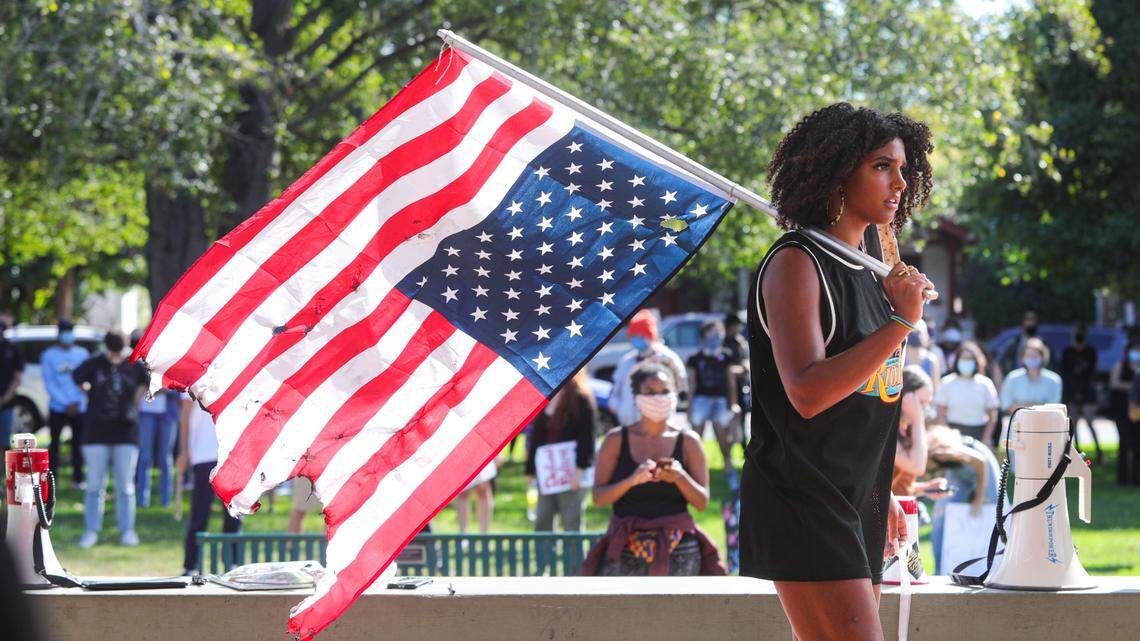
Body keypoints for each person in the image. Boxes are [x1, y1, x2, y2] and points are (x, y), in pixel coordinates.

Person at [740, 102, 935, 640]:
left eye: (902, 167)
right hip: (803, 494)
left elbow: (864, 397)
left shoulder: (874, 268)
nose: (899, 181)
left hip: (857, 496)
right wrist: (899, 324)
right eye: (881, 166)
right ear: (834, 172)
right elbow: (806, 391)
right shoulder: (797, 263)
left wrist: (883, 490)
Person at [583, 362, 724, 576]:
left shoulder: (689, 442)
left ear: (675, 395)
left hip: (680, 547)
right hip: (625, 546)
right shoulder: (615, 440)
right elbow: (599, 498)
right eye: (650, 392)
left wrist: (680, 477)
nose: (658, 398)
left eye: (665, 391)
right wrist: (632, 480)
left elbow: (702, 502)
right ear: (637, 398)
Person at [72, 331, 148, 548]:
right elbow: (77, 377)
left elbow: (148, 381)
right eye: (112, 353)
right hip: (96, 431)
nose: (116, 357)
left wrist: (137, 399)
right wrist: (87, 391)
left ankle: (128, 531)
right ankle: (91, 530)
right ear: (106, 348)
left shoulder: (134, 364)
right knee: (94, 485)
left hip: (126, 432)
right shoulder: (94, 363)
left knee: (125, 486)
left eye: (119, 352)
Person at [526, 368, 598, 533]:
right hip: (547, 474)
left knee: (571, 521)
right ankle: (544, 558)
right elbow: (536, 439)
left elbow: (588, 438)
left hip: (571, 472)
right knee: (543, 519)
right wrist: (530, 470)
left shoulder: (581, 400)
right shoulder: (545, 396)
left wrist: (580, 471)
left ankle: (574, 559)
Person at [925, 423, 1002, 575]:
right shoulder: (938, 459)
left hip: (983, 469)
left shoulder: (941, 452)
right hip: (961, 473)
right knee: (940, 514)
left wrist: (979, 497)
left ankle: (995, 568)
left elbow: (981, 462)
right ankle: (939, 570)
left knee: (991, 512)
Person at [178, 395, 241, 574]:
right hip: (203, 454)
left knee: (233, 514)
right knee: (199, 514)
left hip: (231, 454)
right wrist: (184, 451)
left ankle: (232, 565)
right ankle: (190, 566)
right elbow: (185, 416)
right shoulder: (194, 374)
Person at [686, 319, 743, 487]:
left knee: (724, 440)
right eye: (713, 333)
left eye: (719, 333)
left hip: (720, 400)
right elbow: (692, 385)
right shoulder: (694, 359)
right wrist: (689, 408)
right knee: (696, 440)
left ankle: (730, 473)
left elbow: (731, 382)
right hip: (701, 400)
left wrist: (733, 404)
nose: (717, 337)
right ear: (704, 336)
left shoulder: (726, 355)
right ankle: (693, 475)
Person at [608, 309, 688, 427]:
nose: (637, 339)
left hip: (659, 423)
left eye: (641, 335)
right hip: (629, 422)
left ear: (650, 335)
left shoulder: (668, 359)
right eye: (634, 336)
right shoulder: (627, 361)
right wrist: (617, 407)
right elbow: (616, 390)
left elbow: (682, 388)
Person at [131, 330, 178, 507]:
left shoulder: (173, 360)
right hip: (146, 413)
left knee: (165, 457)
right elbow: (137, 387)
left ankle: (166, 500)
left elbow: (180, 388)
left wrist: (163, 388)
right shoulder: (141, 362)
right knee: (145, 456)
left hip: (167, 415)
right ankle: (143, 499)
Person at [40, 319, 89, 487]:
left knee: (78, 443)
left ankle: (78, 479)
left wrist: (77, 402)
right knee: (54, 444)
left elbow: (86, 381)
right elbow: (49, 383)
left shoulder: (82, 354)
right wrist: (65, 403)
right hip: (58, 407)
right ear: (59, 335)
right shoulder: (48, 355)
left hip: (78, 406)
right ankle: (52, 479)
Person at [933, 341, 1000, 445]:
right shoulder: (947, 382)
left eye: (970, 359)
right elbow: (940, 412)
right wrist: (947, 436)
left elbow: (993, 415)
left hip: (979, 433)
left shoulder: (986, 383)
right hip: (953, 432)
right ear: (957, 360)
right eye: (964, 358)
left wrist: (986, 438)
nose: (967, 362)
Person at [1060, 322, 1101, 463]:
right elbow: (1065, 374)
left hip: (1087, 393)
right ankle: (1076, 451)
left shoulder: (1090, 352)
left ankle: (1099, 451)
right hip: (1072, 393)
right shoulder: (1068, 352)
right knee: (1074, 424)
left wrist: (1082, 392)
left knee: (1090, 422)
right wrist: (1075, 392)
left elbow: (1092, 374)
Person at [999, 337, 1062, 423]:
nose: (1032, 358)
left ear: (1043, 356)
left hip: (1045, 427)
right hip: (1018, 427)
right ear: (1022, 358)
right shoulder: (1012, 378)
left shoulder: (1054, 380)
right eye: (1028, 355)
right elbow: (1007, 405)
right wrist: (1038, 406)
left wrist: (1022, 406)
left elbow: (1053, 407)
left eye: (1035, 355)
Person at [1110, 340, 1140, 485]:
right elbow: (1114, 383)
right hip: (1122, 410)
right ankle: (1122, 480)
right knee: (1124, 444)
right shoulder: (1120, 366)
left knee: (1137, 446)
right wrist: (1133, 385)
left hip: (1137, 412)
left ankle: (1136, 479)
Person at [0, 310, 24, 450]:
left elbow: (17, 378)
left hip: (7, 403)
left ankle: (4, 471)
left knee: (4, 443)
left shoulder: (12, 349)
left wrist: (4, 399)